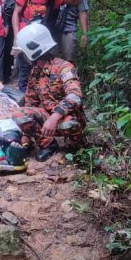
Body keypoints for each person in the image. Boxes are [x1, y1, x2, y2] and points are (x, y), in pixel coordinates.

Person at [15, 23, 86, 161]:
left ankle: (76, 145)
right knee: (19, 114)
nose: (23, 56)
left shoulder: (64, 67)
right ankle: (48, 144)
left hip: (67, 117)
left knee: (68, 124)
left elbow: (75, 96)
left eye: (24, 52)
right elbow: (30, 104)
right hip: (48, 119)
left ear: (33, 50)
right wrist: (26, 135)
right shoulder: (35, 72)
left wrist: (55, 117)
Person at [12, 0, 80, 92]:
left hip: (40, 39)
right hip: (24, 35)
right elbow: (16, 14)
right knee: (24, 69)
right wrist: (17, 35)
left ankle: (35, 98)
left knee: (37, 70)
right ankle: (22, 99)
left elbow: (75, 1)